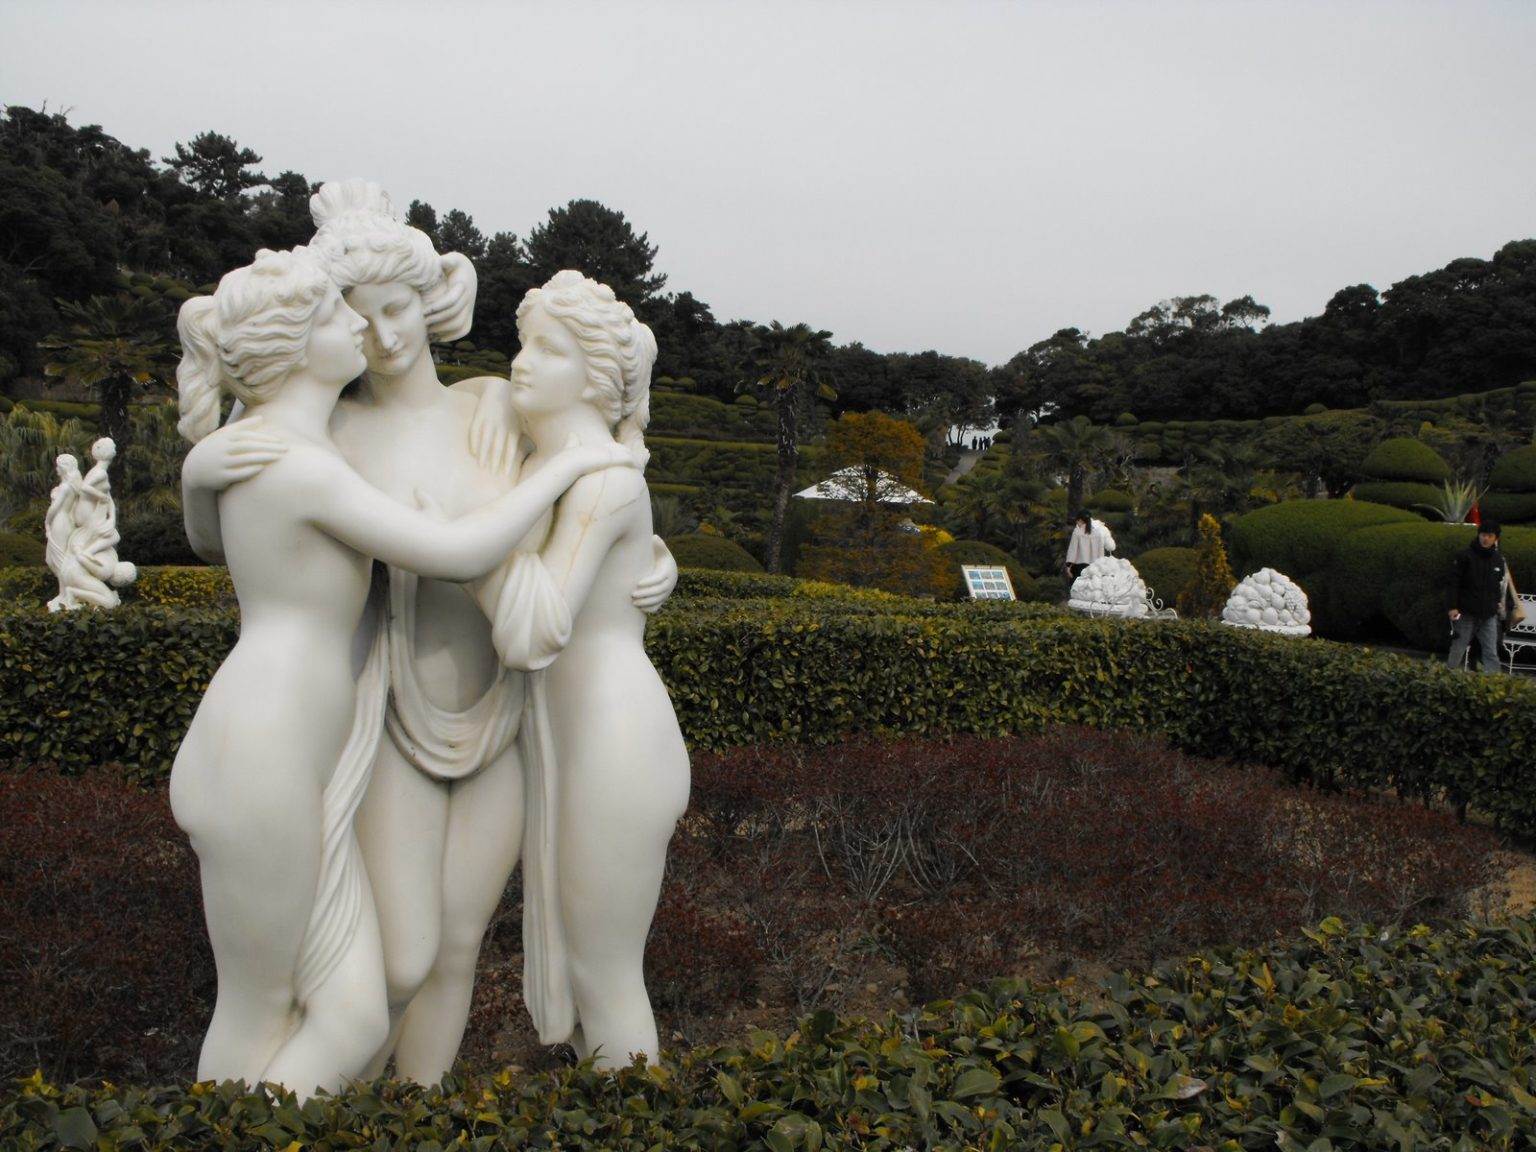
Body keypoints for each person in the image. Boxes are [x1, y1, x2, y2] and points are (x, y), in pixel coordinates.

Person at [180, 181, 679, 1084]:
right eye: (359, 314)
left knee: (455, 947)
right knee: (400, 960)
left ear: (430, 300)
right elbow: (241, 537)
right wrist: (199, 470)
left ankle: (418, 1112)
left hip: (505, 712)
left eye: (399, 308)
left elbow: (600, 475)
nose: (383, 335)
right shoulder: (327, 431)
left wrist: (654, 561)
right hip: (394, 710)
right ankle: (329, 1107)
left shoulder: (495, 403)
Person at [493, 271, 691, 1069]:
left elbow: (533, 627)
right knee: (584, 978)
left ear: (595, 376)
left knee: (604, 976)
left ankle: (636, 1118)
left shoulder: (602, 480)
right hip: (568, 735)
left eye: (549, 349)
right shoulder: (547, 466)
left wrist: (449, 541)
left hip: (614, 738)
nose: (521, 362)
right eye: (523, 343)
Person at [1447, 521, 1506, 673]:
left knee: (1490, 649)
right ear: (1479, 535)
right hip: (1466, 611)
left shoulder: (1498, 559)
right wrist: (1452, 606)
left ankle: (1493, 681)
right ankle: (1448, 675)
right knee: (1459, 646)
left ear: (1495, 539)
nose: (1486, 539)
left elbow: (1497, 584)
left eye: (1490, 536)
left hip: (1488, 613)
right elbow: (1454, 583)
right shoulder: (1464, 556)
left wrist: (1497, 602)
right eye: (1483, 535)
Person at [1064, 510, 1116, 583]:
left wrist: (1068, 566)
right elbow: (1103, 551)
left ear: (1080, 520)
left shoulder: (1077, 532)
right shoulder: (1098, 532)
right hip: (1094, 568)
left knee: (1078, 587)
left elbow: (1073, 551)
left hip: (1079, 568)